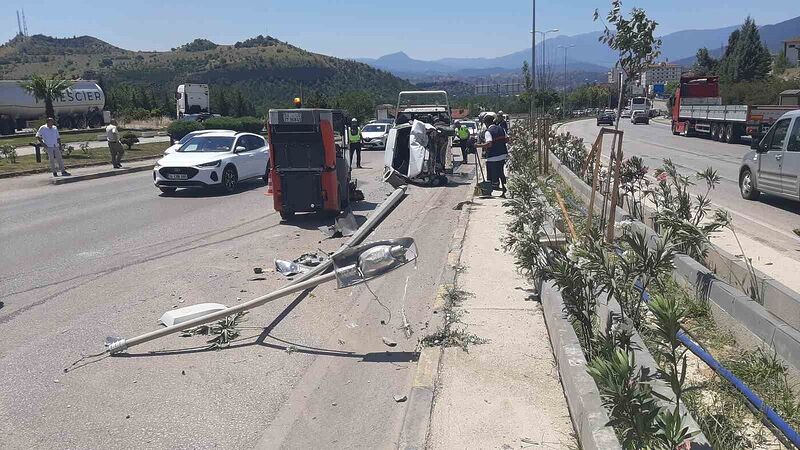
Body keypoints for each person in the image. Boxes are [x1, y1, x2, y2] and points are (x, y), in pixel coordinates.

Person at [476, 114, 509, 197]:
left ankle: (489, 191)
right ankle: (504, 189)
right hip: (503, 154)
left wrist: (478, 146)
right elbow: (507, 139)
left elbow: (489, 144)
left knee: (490, 175)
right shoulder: (501, 128)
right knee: (501, 172)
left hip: (493, 156)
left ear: (486, 123)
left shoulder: (488, 132)